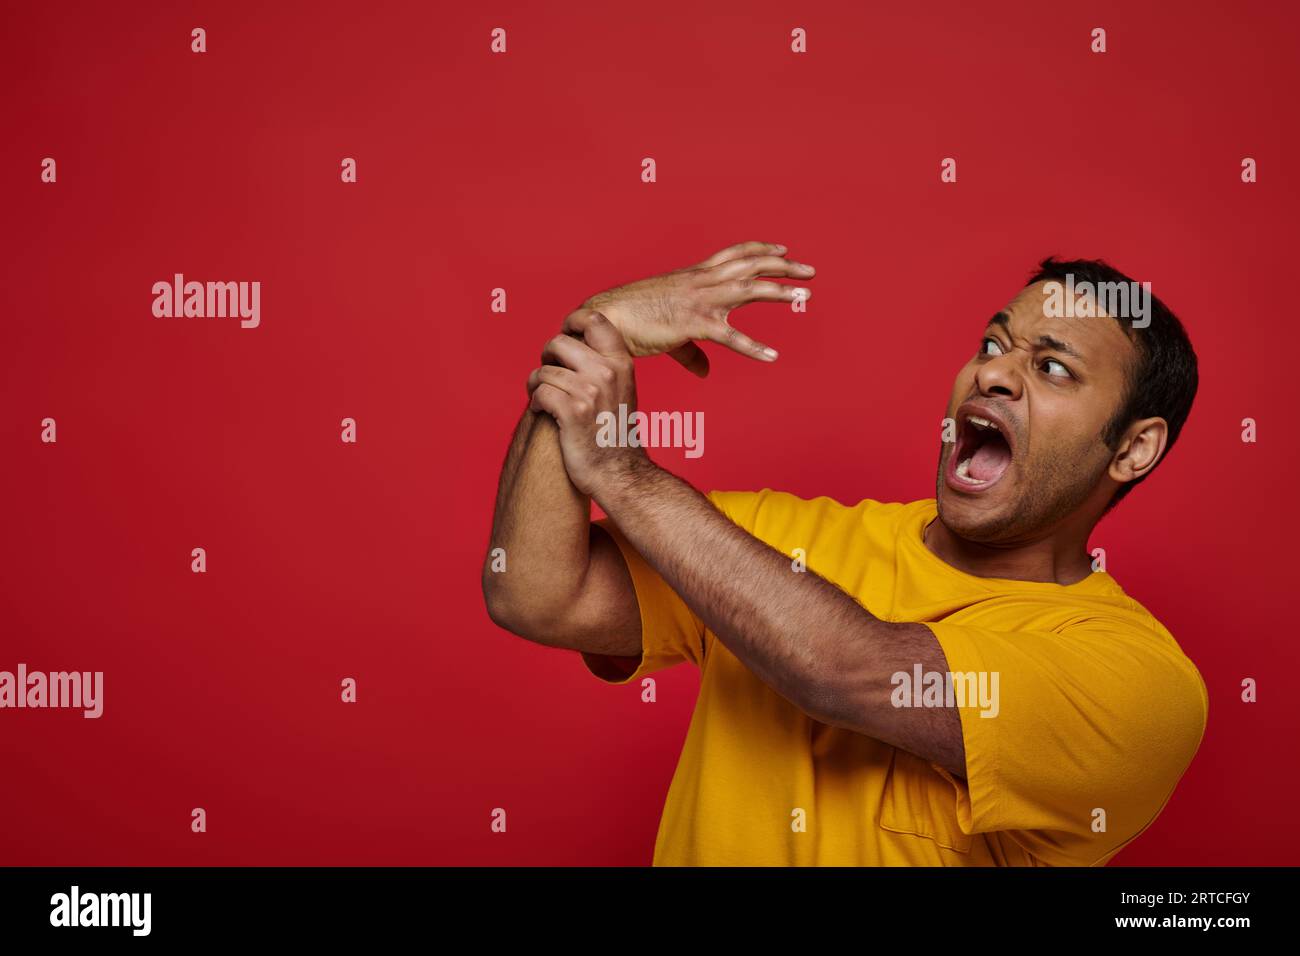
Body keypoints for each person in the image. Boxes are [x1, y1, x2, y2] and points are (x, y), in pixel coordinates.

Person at [482, 241, 1207, 866]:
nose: (992, 374)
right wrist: (589, 342)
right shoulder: (777, 543)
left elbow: (848, 675)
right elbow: (535, 592)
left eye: (1053, 369)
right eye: (993, 345)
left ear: (1133, 447)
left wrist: (622, 473)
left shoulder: (1139, 685)